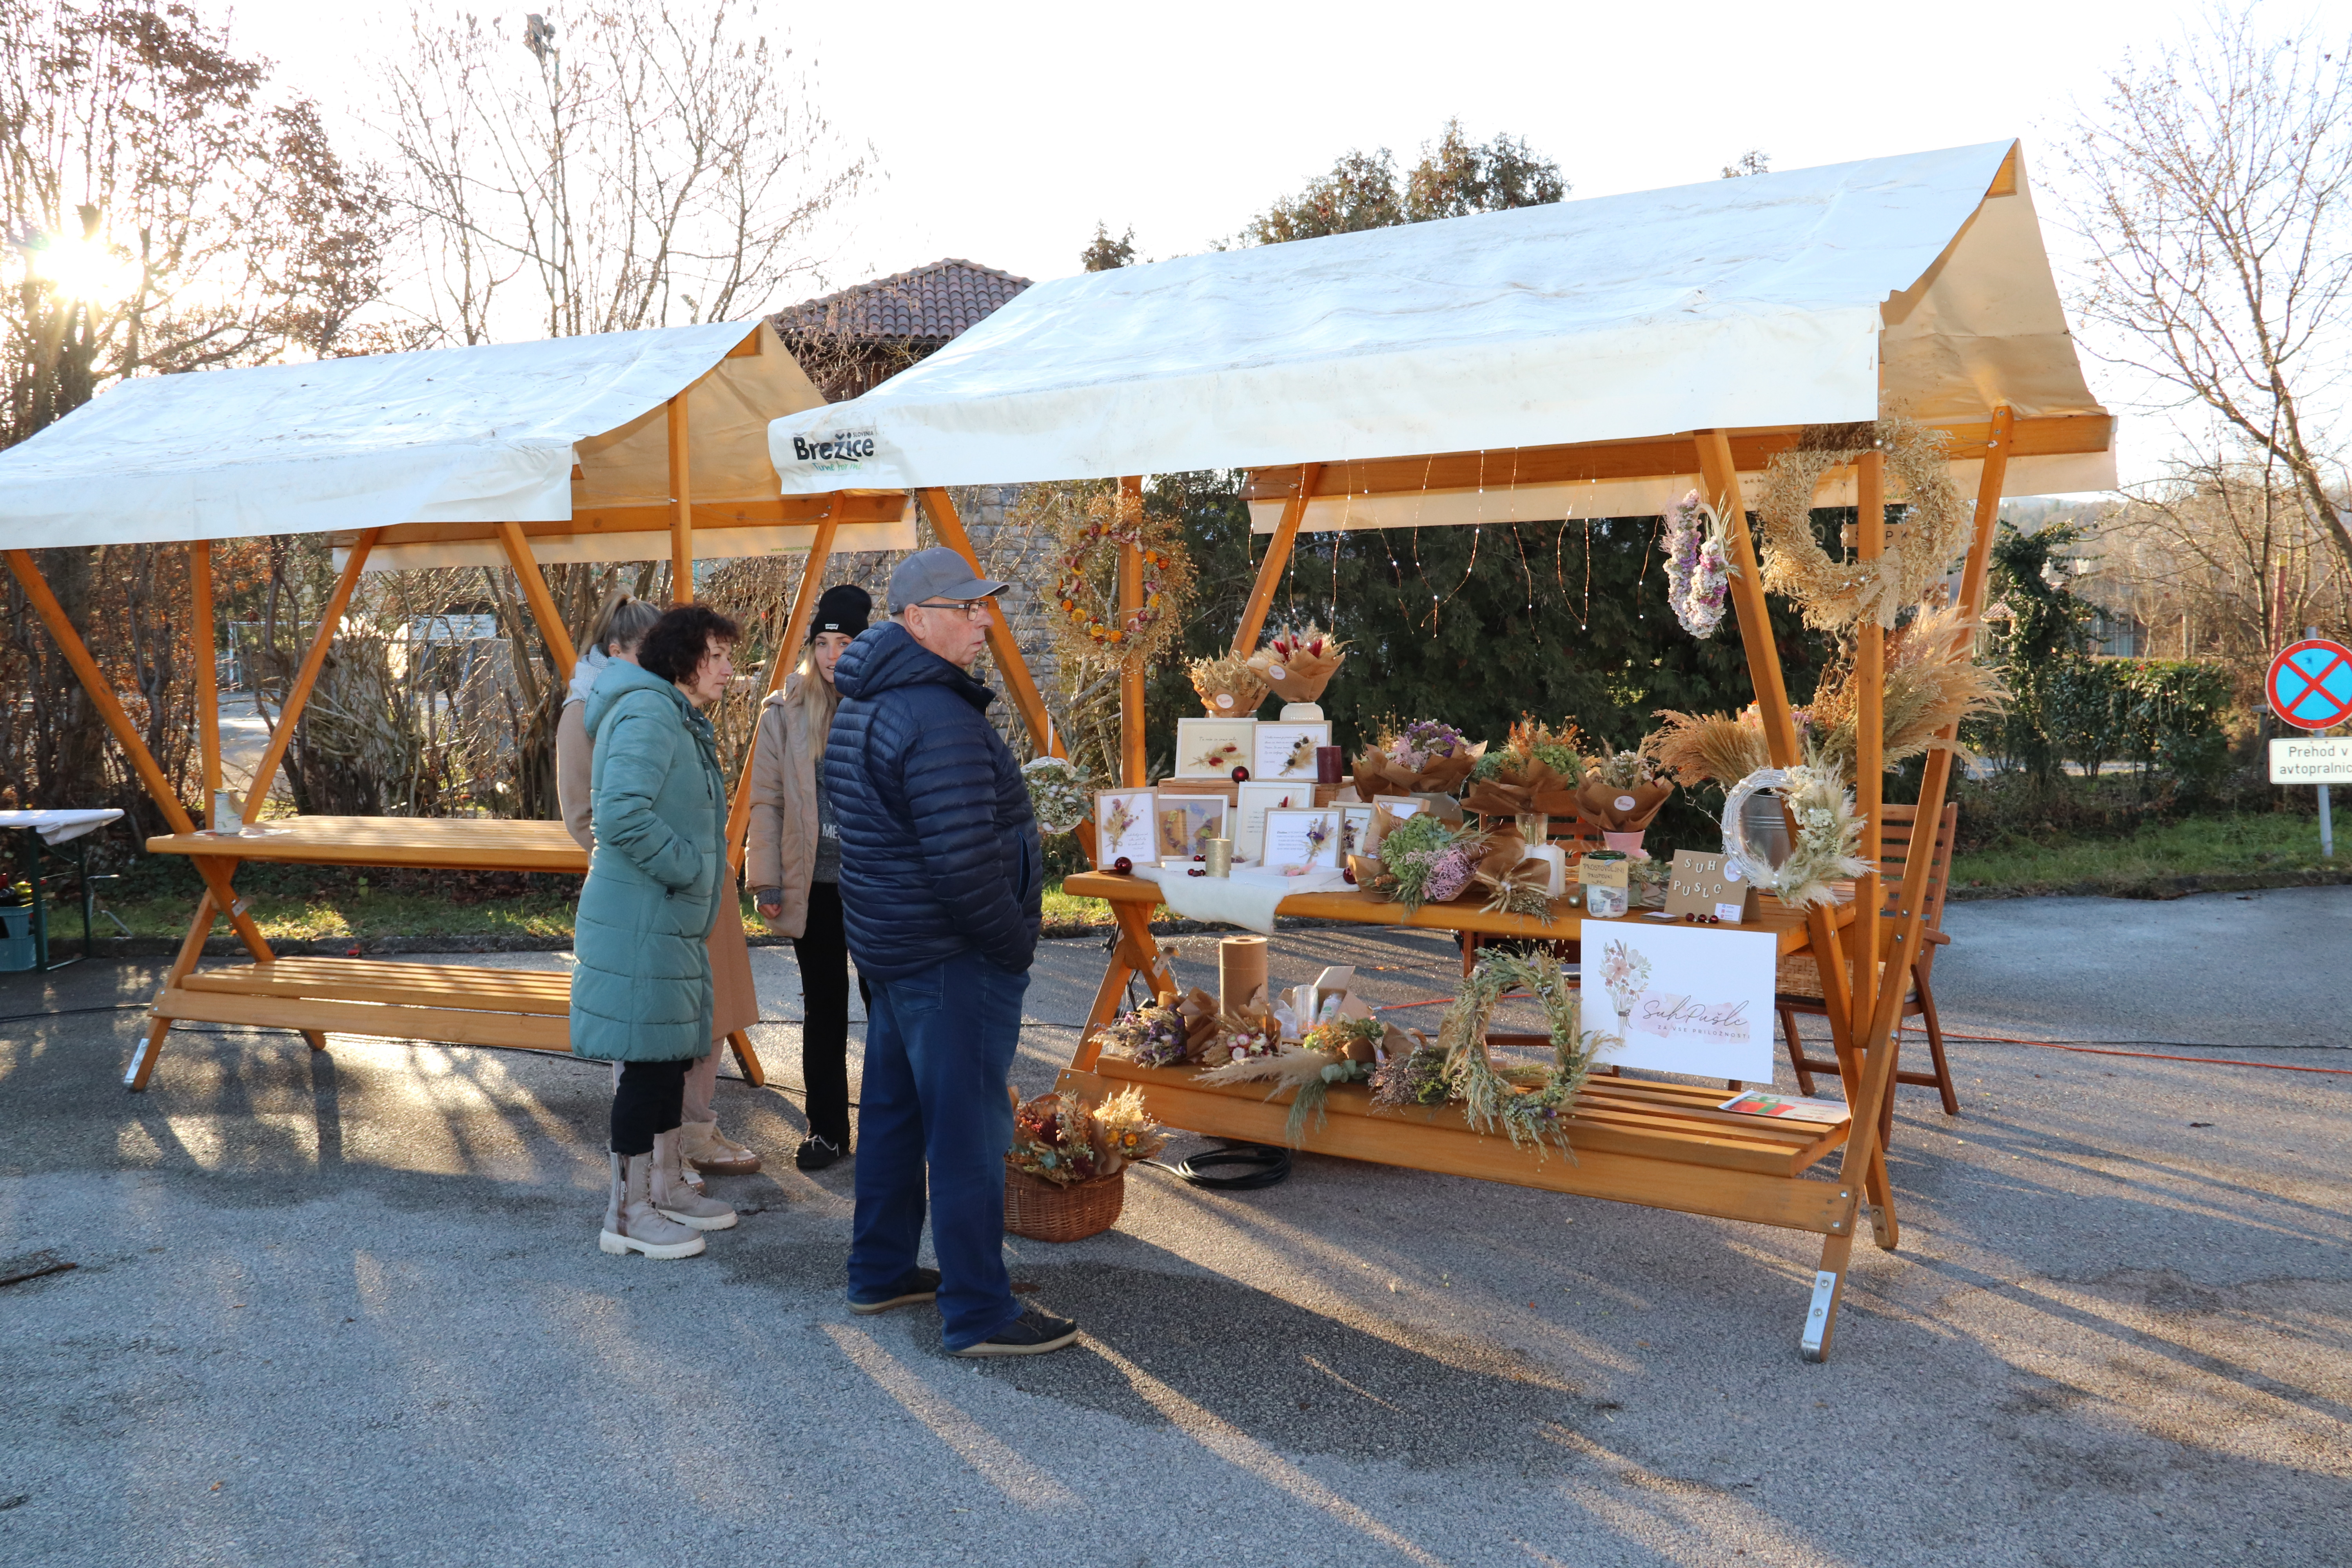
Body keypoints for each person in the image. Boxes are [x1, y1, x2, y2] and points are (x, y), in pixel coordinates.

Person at [826, 547, 1071, 1356]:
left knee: (895, 1116)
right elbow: (963, 861)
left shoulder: (870, 699)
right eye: (967, 608)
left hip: (898, 952)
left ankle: (882, 1269)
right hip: (950, 955)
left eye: (984, 605)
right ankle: (978, 1310)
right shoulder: (934, 714)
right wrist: (1013, 943)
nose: (984, 620)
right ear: (916, 618)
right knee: (968, 1132)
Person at [559, 592, 763, 1186]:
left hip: (678, 903)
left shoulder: (669, 711)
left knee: (682, 1042)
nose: (729, 668)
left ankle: (668, 1176)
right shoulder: (640, 710)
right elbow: (609, 816)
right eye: (717, 654)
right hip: (654, 902)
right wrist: (690, 868)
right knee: (649, 1058)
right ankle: (637, 1202)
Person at [745, 583, 873, 1171]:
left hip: (879, 884)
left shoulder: (884, 702)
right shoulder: (785, 711)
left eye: (844, 642)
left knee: (891, 1010)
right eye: (823, 642)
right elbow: (765, 802)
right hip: (815, 887)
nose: (831, 655)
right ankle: (826, 1132)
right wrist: (765, 879)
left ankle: (893, 1128)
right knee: (824, 1008)